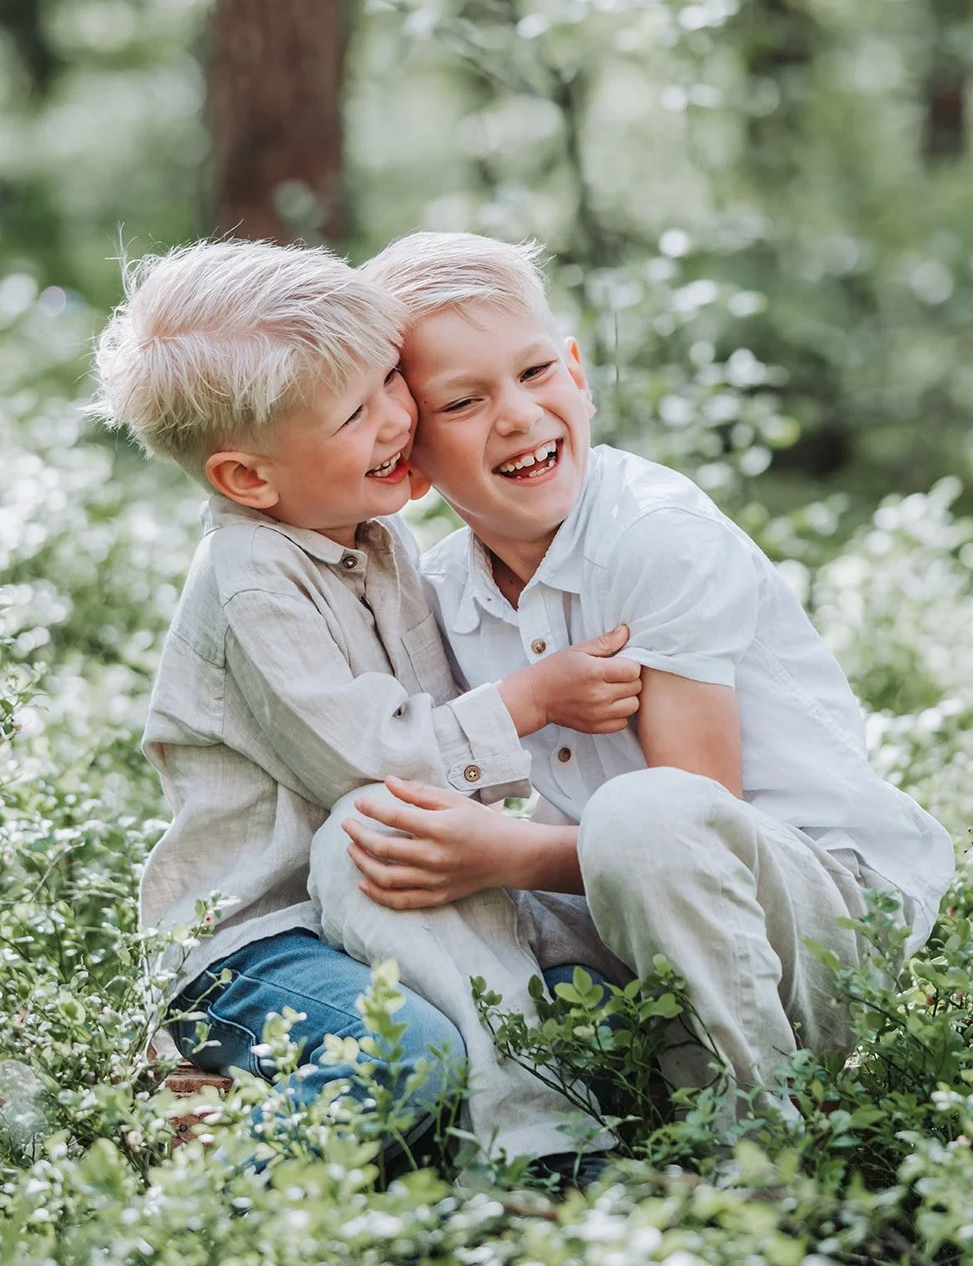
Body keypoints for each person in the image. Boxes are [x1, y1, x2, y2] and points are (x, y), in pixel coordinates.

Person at [308, 230, 955, 1147]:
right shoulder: (440, 589)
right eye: (464, 401)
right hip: (627, 919)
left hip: (815, 918)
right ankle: (548, 1138)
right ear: (408, 457)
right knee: (361, 837)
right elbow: (439, 775)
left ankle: (756, 1153)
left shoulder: (657, 536)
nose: (520, 416)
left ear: (578, 373)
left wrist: (506, 854)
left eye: (536, 373)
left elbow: (695, 809)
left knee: (644, 814)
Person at [90, 237, 642, 1171]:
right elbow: (367, 764)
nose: (402, 415)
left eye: (392, 380)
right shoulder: (253, 580)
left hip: (391, 905)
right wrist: (528, 700)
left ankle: (449, 1165)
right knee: (405, 1054)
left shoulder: (375, 539)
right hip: (260, 944)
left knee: (591, 995)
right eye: (357, 413)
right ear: (248, 478)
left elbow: (436, 702)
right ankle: (215, 1185)